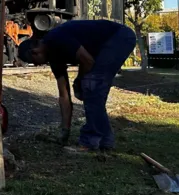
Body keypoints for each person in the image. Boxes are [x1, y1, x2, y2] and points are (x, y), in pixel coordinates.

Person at [17, 19, 136, 152]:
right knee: (92, 88)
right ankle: (105, 141)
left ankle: (89, 141)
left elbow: (88, 61)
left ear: (35, 51)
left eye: (34, 62)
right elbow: (64, 96)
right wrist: (65, 130)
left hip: (119, 37)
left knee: (91, 85)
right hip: (107, 44)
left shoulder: (56, 39)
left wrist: (79, 81)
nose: (38, 65)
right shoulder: (53, 58)